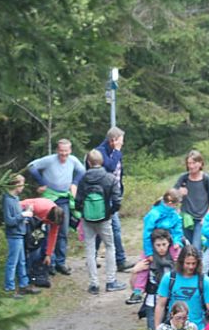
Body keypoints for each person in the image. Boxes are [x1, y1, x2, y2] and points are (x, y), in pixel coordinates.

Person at [28, 138, 85, 275]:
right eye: (61, 151)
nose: (63, 154)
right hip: (49, 199)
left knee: (63, 231)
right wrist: (41, 183)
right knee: (47, 231)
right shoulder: (50, 160)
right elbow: (31, 166)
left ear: (70, 150)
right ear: (57, 150)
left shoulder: (73, 160)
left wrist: (75, 183)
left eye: (66, 151)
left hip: (64, 198)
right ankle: (49, 262)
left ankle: (61, 262)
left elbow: (82, 171)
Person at [74, 149, 126, 294]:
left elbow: (77, 201)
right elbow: (117, 200)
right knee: (110, 247)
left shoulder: (83, 179)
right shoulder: (109, 178)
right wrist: (109, 212)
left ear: (89, 163)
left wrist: (84, 212)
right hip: (104, 219)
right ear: (101, 161)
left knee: (90, 251)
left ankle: (94, 285)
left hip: (88, 219)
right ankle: (111, 281)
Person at [126, 188, 183, 305]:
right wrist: (149, 253)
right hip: (154, 243)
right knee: (145, 264)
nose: (177, 207)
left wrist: (177, 241)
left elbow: (178, 229)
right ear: (171, 203)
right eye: (176, 204)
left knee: (179, 259)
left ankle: (179, 286)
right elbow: (147, 235)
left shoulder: (174, 214)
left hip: (169, 242)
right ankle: (138, 290)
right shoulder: (154, 214)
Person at [93, 126, 132, 273]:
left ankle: (93, 256)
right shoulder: (100, 152)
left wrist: (120, 190)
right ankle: (120, 260)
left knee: (100, 229)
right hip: (102, 197)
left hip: (113, 193)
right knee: (114, 228)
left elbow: (119, 172)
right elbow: (109, 167)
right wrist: (116, 151)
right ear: (113, 140)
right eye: (121, 141)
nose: (122, 144)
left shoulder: (116, 152)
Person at [154, 245, 209, 330]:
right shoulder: (169, 278)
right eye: (187, 263)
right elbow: (160, 305)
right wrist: (158, 329)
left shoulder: (205, 281)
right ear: (181, 262)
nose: (191, 267)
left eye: (194, 263)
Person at [2, 175, 40, 298]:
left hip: (20, 234)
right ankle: (9, 288)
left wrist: (25, 217)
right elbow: (9, 221)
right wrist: (23, 215)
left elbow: (17, 218)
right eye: (22, 184)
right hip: (13, 236)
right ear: (16, 185)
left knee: (21, 262)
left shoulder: (15, 199)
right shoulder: (7, 200)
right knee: (12, 263)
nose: (23, 187)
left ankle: (24, 285)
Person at [132, 228, 175, 330]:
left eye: (164, 244)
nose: (161, 248)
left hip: (172, 299)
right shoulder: (147, 258)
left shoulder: (175, 258)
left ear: (169, 243)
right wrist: (134, 272)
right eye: (158, 245)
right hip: (152, 300)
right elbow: (135, 285)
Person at [174, 150, 209, 251]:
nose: (191, 166)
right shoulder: (183, 178)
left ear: (200, 163)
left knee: (196, 248)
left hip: (200, 219)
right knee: (188, 248)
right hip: (186, 218)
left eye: (194, 163)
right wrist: (179, 193)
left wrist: (206, 217)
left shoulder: (207, 179)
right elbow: (171, 197)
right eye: (189, 163)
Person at [19, 197, 65, 271]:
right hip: (23, 209)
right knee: (29, 242)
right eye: (52, 223)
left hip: (38, 219)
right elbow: (28, 211)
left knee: (38, 240)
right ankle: (24, 269)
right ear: (50, 218)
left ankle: (33, 267)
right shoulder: (40, 208)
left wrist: (48, 254)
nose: (53, 225)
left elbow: (53, 235)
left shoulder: (58, 217)